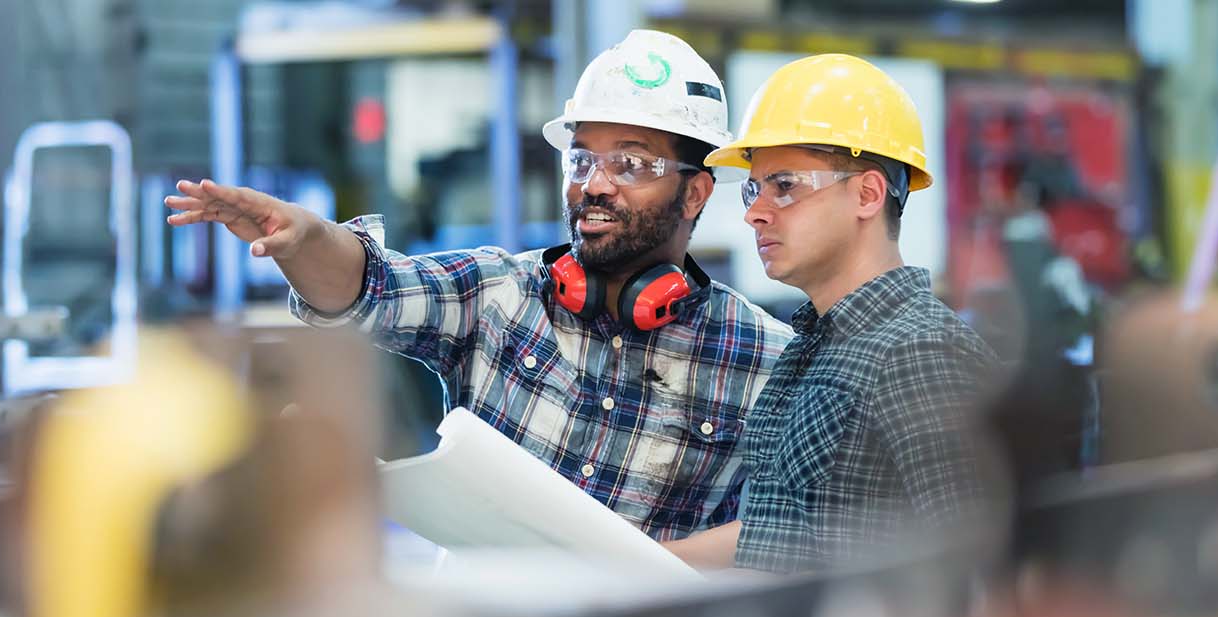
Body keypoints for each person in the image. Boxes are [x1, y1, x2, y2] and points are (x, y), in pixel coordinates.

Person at [164, 30, 791, 542]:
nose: (594, 185)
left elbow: (778, 540)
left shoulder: (764, 359)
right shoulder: (498, 294)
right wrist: (304, 239)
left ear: (698, 190)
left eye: (629, 163)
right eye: (582, 159)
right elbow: (370, 286)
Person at [663, 54, 1004, 572]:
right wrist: (630, 562)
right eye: (755, 189)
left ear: (867, 194)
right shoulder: (813, 346)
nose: (755, 211)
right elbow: (777, 533)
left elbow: (986, 563)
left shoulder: (922, 353)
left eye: (785, 186)